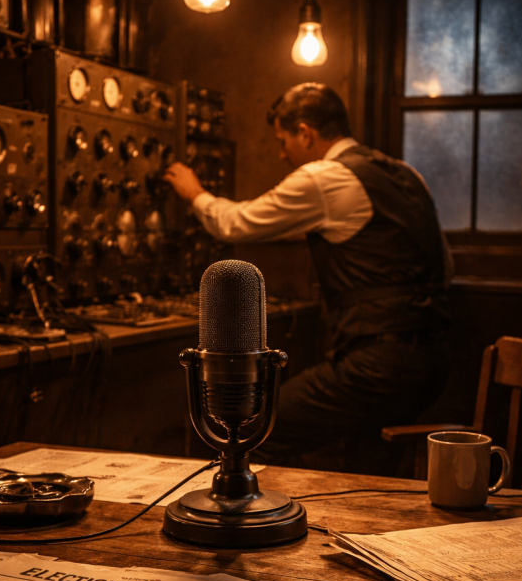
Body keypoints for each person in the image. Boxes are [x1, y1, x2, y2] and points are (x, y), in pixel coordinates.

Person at [164, 82, 451, 469]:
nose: (283, 154)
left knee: (250, 434)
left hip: (378, 365)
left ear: (305, 132)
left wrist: (194, 192)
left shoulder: (324, 177)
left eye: (283, 141)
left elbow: (235, 223)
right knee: (370, 462)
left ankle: (257, 508)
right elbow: (444, 263)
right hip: (433, 360)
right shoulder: (406, 174)